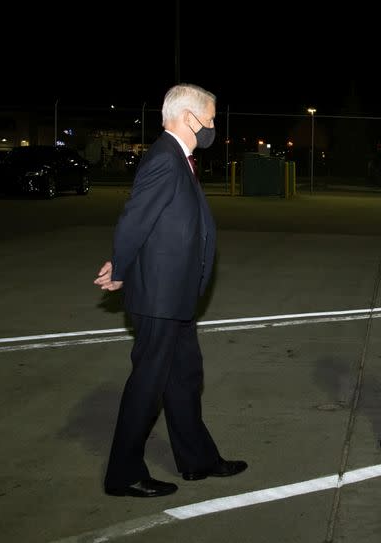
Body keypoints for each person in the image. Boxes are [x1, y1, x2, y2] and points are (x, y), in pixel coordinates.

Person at [94, 83, 247, 497]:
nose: (214, 126)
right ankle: (122, 475)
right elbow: (135, 219)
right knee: (147, 384)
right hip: (159, 296)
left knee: (184, 379)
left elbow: (159, 223)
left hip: (174, 294)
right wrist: (121, 267)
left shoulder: (179, 159)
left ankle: (196, 460)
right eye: (211, 119)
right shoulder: (165, 158)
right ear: (188, 117)